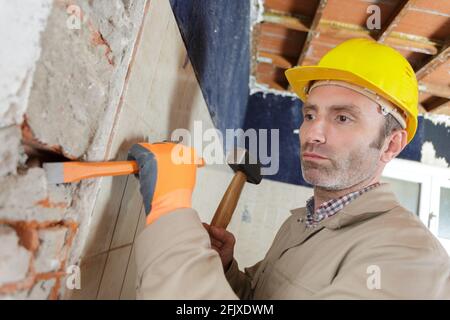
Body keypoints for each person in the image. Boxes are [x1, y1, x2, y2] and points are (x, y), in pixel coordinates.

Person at [128, 38, 450, 299]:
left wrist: (171, 216)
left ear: (391, 145)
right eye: (310, 115)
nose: (312, 133)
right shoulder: (302, 222)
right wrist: (226, 271)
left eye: (342, 118)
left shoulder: (412, 259)